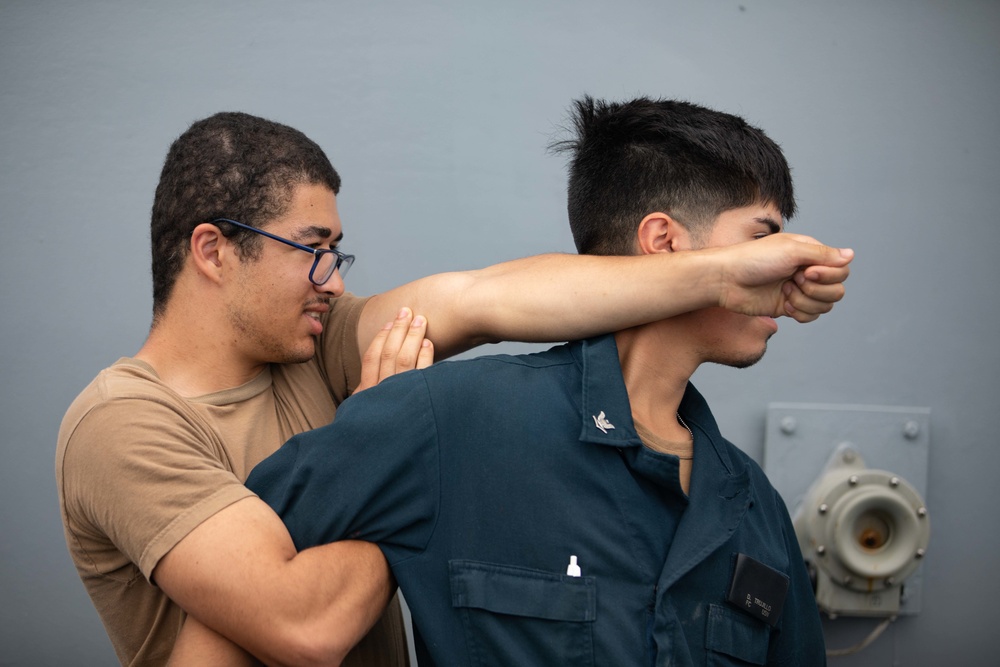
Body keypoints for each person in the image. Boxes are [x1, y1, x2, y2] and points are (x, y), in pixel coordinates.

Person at [56, 110, 849, 666]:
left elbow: (488, 299)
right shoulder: (125, 423)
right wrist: (389, 444)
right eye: (312, 248)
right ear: (212, 249)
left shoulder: (317, 344)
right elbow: (305, 626)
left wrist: (726, 273)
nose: (333, 279)